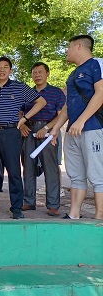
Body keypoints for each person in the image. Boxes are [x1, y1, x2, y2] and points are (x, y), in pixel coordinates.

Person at [0, 56, 46, 219]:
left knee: (13, 171)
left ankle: (17, 207)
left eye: (5, 67)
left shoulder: (20, 87)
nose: (2, 70)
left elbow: (41, 102)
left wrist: (24, 118)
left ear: (10, 70)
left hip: (11, 133)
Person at [50, 34, 103, 220]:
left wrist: (81, 120)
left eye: (69, 46)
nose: (66, 51)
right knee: (76, 174)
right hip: (73, 131)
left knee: (98, 175)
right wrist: (56, 128)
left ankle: (99, 216)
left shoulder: (97, 64)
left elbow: (101, 93)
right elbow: (67, 106)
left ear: (79, 46)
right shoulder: (72, 74)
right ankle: (74, 214)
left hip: (93, 128)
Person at [20, 62, 66, 216]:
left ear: (47, 73)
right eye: (34, 72)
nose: (37, 75)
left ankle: (53, 205)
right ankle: (28, 201)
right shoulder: (27, 92)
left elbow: (61, 115)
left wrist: (47, 128)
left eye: (40, 72)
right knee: (28, 167)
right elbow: (20, 112)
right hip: (28, 131)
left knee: (50, 168)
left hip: (48, 132)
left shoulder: (56, 92)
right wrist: (22, 125)